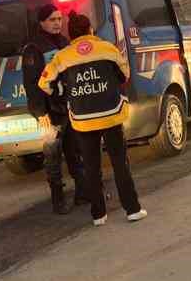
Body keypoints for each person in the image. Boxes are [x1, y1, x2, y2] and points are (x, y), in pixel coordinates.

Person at [40, 13, 146, 226]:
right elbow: (124, 75)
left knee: (91, 166)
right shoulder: (108, 49)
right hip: (111, 115)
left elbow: (44, 83)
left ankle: (98, 215)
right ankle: (132, 209)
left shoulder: (62, 56)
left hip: (83, 119)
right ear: (90, 30)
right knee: (120, 164)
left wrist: (64, 90)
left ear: (71, 34)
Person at [20, 4, 84, 215]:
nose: (58, 23)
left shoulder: (65, 43)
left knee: (76, 153)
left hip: (67, 108)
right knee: (53, 157)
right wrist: (40, 114)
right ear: (41, 22)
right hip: (49, 112)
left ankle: (83, 193)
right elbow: (32, 84)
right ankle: (58, 201)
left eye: (59, 19)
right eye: (52, 20)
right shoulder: (34, 48)